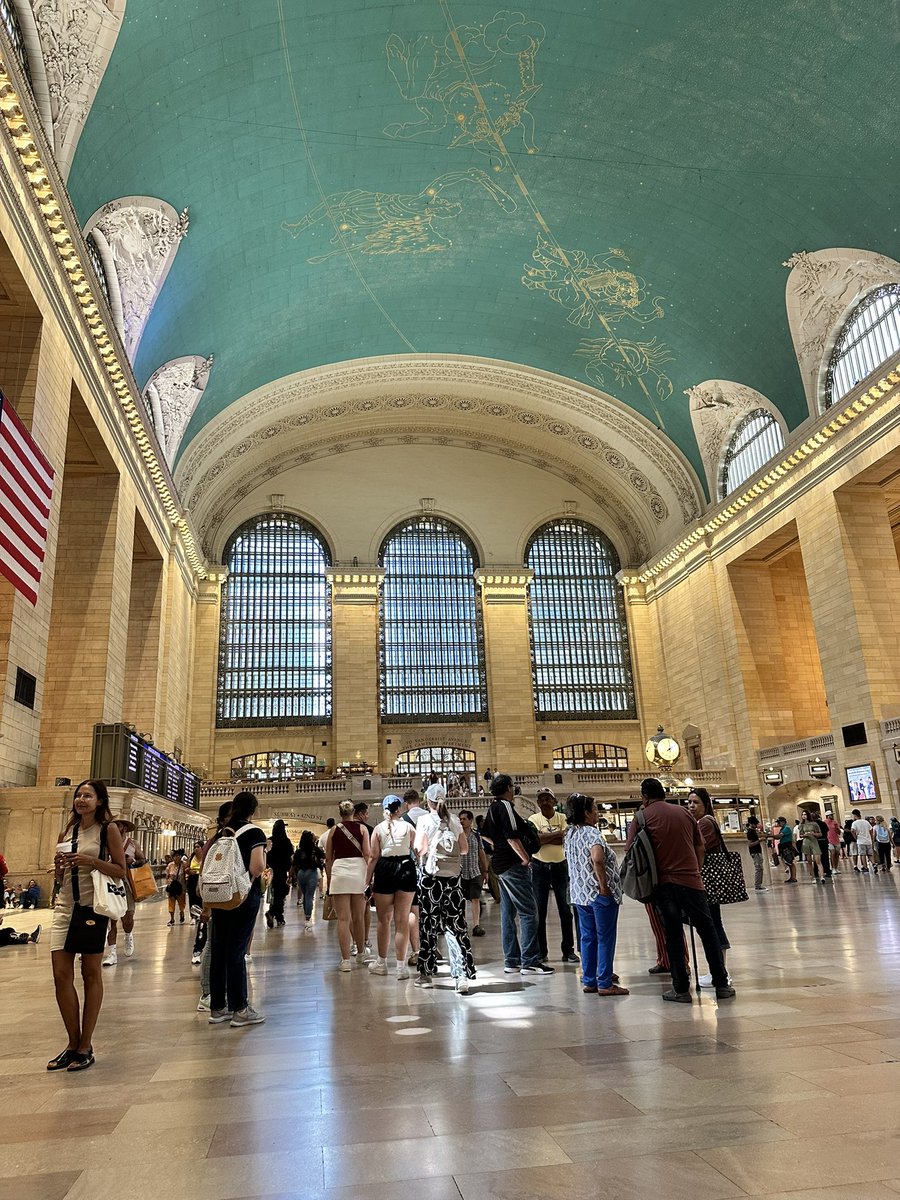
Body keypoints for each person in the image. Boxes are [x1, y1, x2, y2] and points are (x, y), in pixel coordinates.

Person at [627, 778, 733, 1004]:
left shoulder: (641, 817)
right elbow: (700, 846)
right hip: (692, 882)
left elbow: (630, 852)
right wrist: (695, 868)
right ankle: (721, 984)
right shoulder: (685, 814)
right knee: (708, 931)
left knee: (673, 935)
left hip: (663, 885)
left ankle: (680, 989)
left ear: (644, 796)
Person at [48, 779, 127, 1071]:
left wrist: (89, 861)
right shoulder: (66, 830)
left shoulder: (109, 831)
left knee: (90, 972)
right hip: (65, 907)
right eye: (78, 795)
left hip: (92, 908)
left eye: (88, 795)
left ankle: (85, 1044)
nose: (81, 799)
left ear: (100, 801)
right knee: (60, 976)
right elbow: (60, 878)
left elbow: (120, 871)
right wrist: (59, 869)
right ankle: (72, 1042)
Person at [206, 791, 267, 1027]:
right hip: (241, 896)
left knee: (220, 949)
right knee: (237, 950)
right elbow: (257, 866)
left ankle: (217, 1008)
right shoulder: (254, 832)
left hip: (219, 895)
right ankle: (240, 1008)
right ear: (253, 810)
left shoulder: (221, 832)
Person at [483, 774, 553, 976]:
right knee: (529, 912)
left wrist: (498, 846)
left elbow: (485, 833)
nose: (514, 790)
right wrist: (525, 858)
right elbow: (513, 836)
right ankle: (530, 961)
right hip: (512, 865)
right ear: (507, 788)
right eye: (512, 787)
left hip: (501, 865)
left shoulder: (493, 807)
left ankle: (511, 960)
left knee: (508, 913)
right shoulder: (504, 806)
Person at [564, 792, 628, 996]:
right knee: (605, 937)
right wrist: (604, 886)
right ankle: (605, 982)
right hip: (598, 894)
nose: (597, 812)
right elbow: (597, 859)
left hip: (580, 893)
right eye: (595, 809)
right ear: (586, 812)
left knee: (587, 936)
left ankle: (589, 979)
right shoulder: (592, 833)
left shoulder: (570, 833)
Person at [414, 788, 476, 992]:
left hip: (431, 880)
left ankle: (426, 974)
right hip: (452, 880)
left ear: (427, 801)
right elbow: (464, 849)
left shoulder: (424, 820)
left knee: (429, 927)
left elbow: (419, 848)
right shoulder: (455, 821)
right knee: (455, 925)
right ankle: (461, 976)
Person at [366, 795, 416, 978]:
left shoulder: (378, 829)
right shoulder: (408, 827)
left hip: (385, 869)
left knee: (383, 920)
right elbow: (417, 850)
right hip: (406, 868)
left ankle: (382, 962)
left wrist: (367, 882)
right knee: (402, 920)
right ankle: (401, 968)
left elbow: (373, 858)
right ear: (399, 809)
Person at [528, 787, 578, 964]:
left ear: (554, 801)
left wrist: (544, 837)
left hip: (560, 867)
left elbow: (565, 837)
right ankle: (542, 951)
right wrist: (553, 836)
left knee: (565, 911)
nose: (544, 802)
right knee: (539, 912)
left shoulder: (563, 818)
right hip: (539, 868)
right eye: (541, 799)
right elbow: (535, 840)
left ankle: (568, 951)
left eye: (548, 798)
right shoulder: (533, 819)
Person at [688, 789, 731, 986]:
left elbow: (698, 846)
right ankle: (719, 970)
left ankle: (720, 971)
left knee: (712, 924)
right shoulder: (704, 821)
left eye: (696, 802)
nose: (691, 806)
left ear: (705, 804)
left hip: (708, 882)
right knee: (713, 922)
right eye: (689, 802)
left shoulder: (704, 822)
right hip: (710, 883)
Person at [324, 800, 371, 971]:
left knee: (343, 919)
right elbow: (367, 853)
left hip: (340, 872)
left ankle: (345, 960)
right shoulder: (363, 829)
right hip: (359, 871)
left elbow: (328, 857)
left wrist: (329, 878)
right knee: (358, 917)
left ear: (340, 813)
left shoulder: (334, 830)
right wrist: (370, 877)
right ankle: (360, 953)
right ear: (353, 812)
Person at [102, 819, 145, 965]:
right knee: (111, 919)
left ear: (124, 828)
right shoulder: (105, 842)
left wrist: (132, 860)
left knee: (127, 919)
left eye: (118, 825)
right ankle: (112, 952)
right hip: (110, 883)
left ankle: (128, 935)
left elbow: (143, 860)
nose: (114, 827)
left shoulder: (133, 844)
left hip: (127, 885)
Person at [458, 809, 487, 935]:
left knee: (475, 898)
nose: (462, 821)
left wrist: (485, 870)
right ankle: (462, 923)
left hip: (474, 871)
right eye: (460, 819)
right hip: (461, 872)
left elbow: (481, 852)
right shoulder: (457, 835)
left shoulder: (476, 835)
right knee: (461, 900)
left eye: (464, 819)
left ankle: (476, 925)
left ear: (470, 820)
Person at [291, 830, 322, 930]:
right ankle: (308, 919)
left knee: (305, 896)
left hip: (301, 873)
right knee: (309, 896)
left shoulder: (299, 851)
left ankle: (306, 915)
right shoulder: (315, 849)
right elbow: (324, 856)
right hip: (311, 873)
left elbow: (293, 865)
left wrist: (290, 876)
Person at [265, 819, 293, 927]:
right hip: (282, 871)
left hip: (271, 871)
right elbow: (290, 857)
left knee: (275, 893)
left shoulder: (270, 841)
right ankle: (276, 915)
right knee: (280, 894)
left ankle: (274, 914)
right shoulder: (286, 841)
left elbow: (266, 855)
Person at [798, 811, 824, 883]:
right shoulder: (801, 825)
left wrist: (814, 834)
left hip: (814, 841)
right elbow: (800, 835)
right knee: (809, 861)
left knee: (818, 860)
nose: (804, 816)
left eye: (805, 814)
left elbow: (820, 833)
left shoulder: (814, 824)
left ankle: (822, 876)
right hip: (806, 842)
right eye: (802, 814)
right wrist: (804, 835)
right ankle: (813, 877)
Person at [165, 849, 187, 925]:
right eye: (175, 856)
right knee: (171, 903)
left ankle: (182, 913)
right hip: (172, 887)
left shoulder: (184, 864)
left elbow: (186, 875)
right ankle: (172, 919)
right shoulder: (170, 865)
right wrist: (168, 884)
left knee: (181, 903)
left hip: (181, 887)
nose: (176, 857)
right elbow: (167, 876)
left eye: (178, 856)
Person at [850, 809, 875, 873]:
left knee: (863, 855)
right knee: (870, 854)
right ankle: (874, 864)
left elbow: (852, 830)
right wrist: (871, 838)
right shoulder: (866, 822)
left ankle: (865, 867)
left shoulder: (854, 823)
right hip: (868, 840)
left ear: (855, 815)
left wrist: (856, 837)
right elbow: (871, 830)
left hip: (861, 841)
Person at [746, 815, 766, 891]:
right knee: (759, 868)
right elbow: (750, 844)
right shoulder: (750, 832)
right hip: (755, 852)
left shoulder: (753, 831)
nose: (756, 825)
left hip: (757, 851)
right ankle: (758, 885)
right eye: (755, 824)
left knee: (760, 868)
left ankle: (759, 884)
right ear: (751, 824)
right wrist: (759, 840)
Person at [777, 817, 797, 883]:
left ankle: (794, 877)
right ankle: (791, 877)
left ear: (783, 822)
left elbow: (780, 836)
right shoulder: (782, 828)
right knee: (788, 862)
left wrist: (770, 836)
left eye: (779, 822)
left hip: (787, 846)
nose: (778, 824)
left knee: (790, 861)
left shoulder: (786, 828)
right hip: (783, 846)